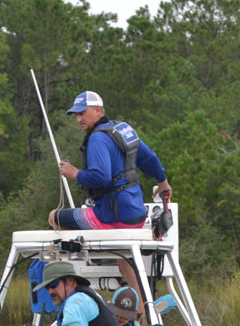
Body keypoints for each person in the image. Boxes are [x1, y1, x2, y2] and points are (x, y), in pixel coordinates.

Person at [49, 90, 171, 292]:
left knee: (55, 217)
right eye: (76, 115)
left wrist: (74, 173)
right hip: (137, 217)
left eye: (82, 113)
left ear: (98, 110)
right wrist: (163, 181)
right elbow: (149, 158)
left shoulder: (97, 139)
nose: (79, 119)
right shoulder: (122, 130)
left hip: (111, 219)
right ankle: (140, 306)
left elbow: (101, 178)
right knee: (122, 257)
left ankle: (72, 286)